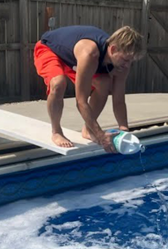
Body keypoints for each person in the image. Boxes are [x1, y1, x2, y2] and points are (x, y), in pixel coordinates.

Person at [33, 24, 143, 153]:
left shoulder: (122, 64)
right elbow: (81, 102)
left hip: (74, 60)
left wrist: (124, 128)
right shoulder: (90, 54)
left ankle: (88, 129)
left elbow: (118, 101)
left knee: (104, 83)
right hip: (50, 49)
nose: (127, 65)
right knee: (58, 84)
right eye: (125, 60)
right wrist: (101, 135)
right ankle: (56, 131)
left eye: (131, 61)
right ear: (113, 50)